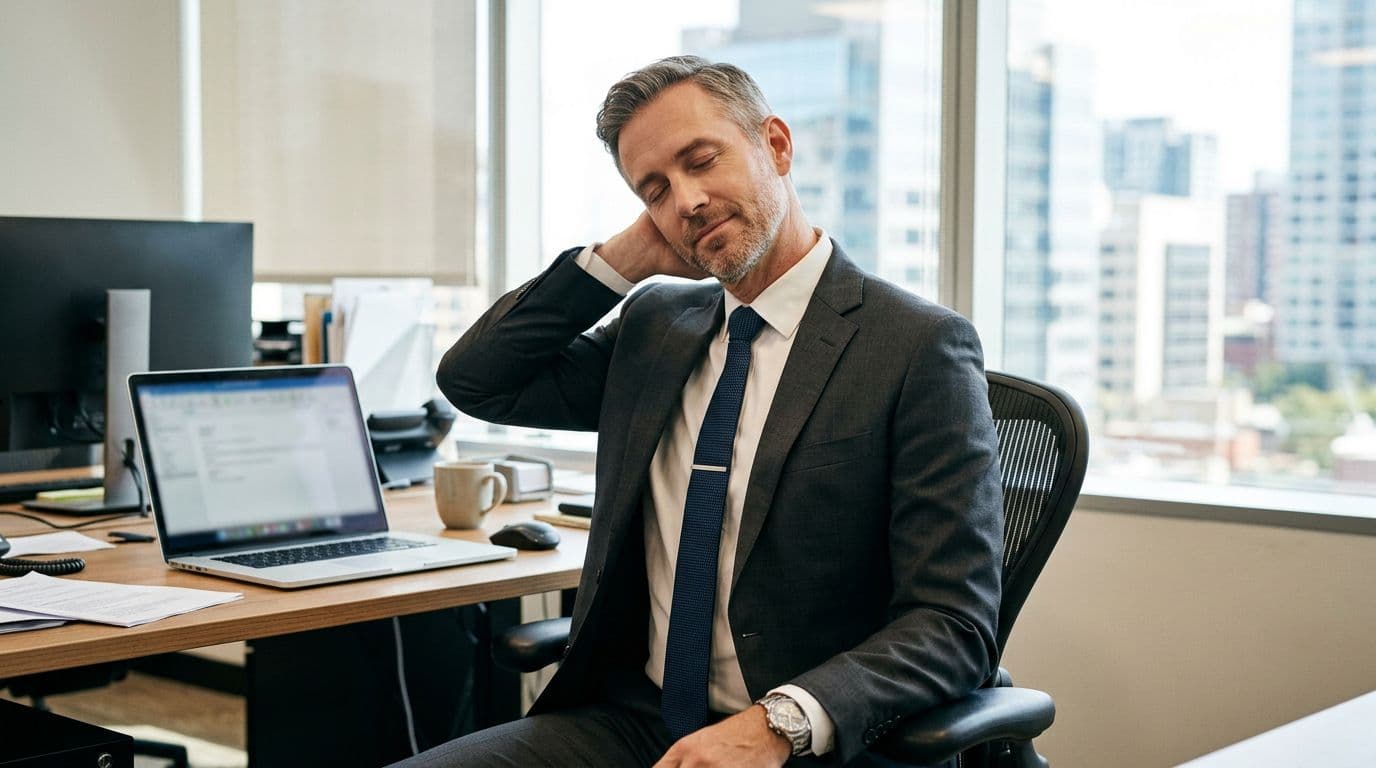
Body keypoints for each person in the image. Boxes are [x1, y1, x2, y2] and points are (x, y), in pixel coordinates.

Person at [400, 55, 1003, 768]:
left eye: (701, 161)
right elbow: (478, 380)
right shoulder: (658, 327)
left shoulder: (914, 346)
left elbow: (953, 623)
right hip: (633, 721)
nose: (685, 200)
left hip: (807, 742)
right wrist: (627, 257)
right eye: (655, 189)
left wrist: (779, 723)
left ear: (775, 145)